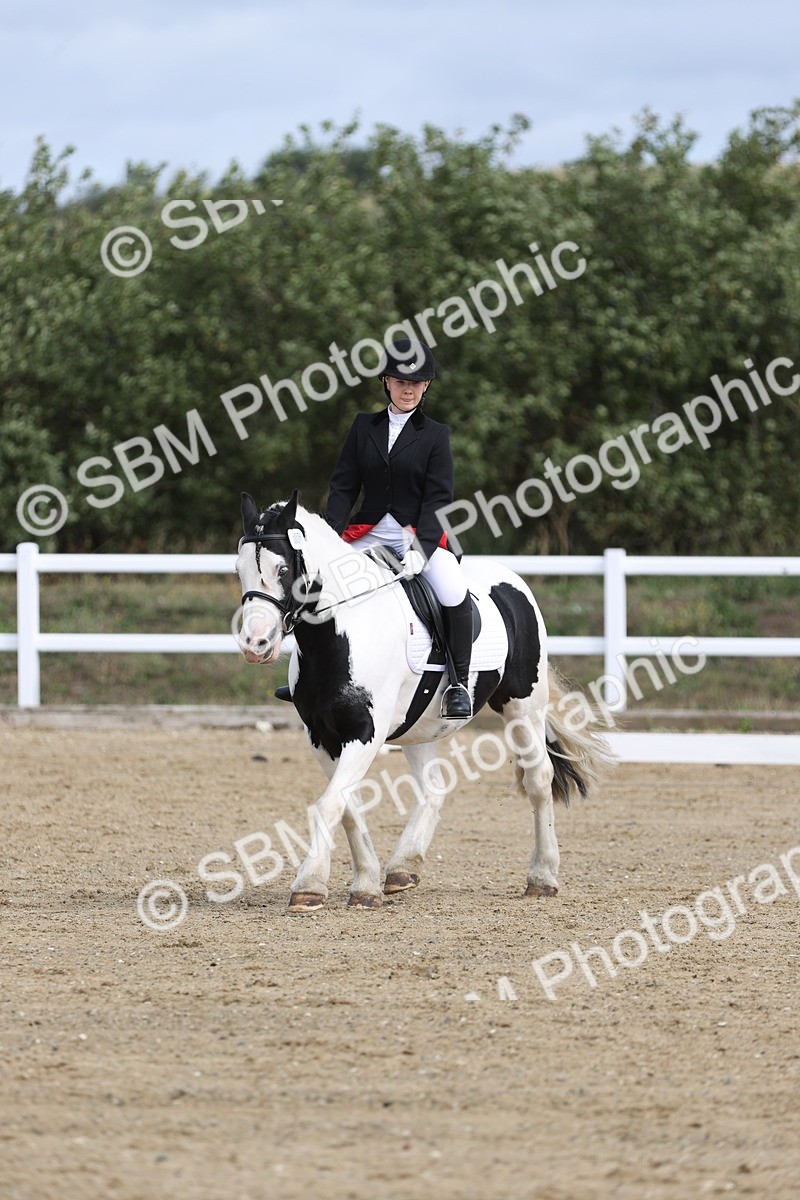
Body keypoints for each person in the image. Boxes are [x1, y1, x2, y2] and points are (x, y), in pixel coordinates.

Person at [324, 338, 473, 719]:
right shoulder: (363, 427)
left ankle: (458, 683)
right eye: (401, 381)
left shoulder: (436, 435)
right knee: (324, 586)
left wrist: (421, 551)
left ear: (426, 387)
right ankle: (312, 675)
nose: (408, 389)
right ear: (386, 382)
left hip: (415, 531)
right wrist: (328, 541)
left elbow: (439, 498)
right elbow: (344, 486)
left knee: (453, 590)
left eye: (416, 383)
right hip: (370, 529)